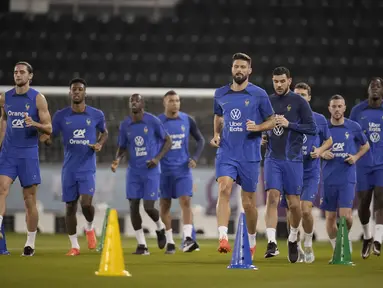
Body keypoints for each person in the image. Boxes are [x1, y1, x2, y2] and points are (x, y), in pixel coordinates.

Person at [210, 52, 275, 259]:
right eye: (236, 66)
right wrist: (216, 135)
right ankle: (223, 237)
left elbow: (272, 120)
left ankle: (252, 239)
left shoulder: (259, 94)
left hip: (250, 155)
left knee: (248, 202)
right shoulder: (220, 93)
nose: (239, 70)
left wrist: (258, 127)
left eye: (243, 67)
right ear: (232, 69)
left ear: (249, 70)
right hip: (227, 152)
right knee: (224, 188)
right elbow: (218, 116)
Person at [40, 78, 108, 256]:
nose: (77, 92)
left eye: (80, 89)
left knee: (86, 204)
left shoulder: (96, 114)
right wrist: (44, 139)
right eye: (74, 90)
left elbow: (104, 132)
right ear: (70, 93)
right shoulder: (61, 116)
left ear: (85, 93)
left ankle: (90, 227)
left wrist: (100, 143)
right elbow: (50, 137)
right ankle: (75, 246)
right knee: (70, 207)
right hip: (69, 168)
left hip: (87, 167)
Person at [263, 67, 317, 263]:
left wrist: (289, 124)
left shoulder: (299, 102)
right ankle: (272, 242)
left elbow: (312, 128)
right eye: (275, 81)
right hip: (272, 158)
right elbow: (262, 124)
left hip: (293, 160)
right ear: (272, 80)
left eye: (282, 81)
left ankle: (293, 237)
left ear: (289, 81)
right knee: (272, 196)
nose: (278, 85)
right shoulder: (267, 101)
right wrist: (261, 134)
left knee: (295, 205)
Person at [275, 83, 332, 263]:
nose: (300, 98)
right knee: (293, 209)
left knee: (306, 210)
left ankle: (307, 243)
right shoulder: (285, 119)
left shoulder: (319, 119)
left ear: (309, 98)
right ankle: (295, 242)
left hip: (310, 171)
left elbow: (329, 140)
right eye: (297, 94)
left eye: (303, 95)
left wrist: (321, 150)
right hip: (291, 169)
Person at [0, 61, 52, 256]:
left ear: (30, 76)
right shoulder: (5, 98)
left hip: (28, 154)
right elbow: (3, 120)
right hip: (8, 152)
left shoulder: (38, 99)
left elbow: (49, 128)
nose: (18, 75)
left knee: (29, 199)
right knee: (1, 188)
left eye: (22, 72)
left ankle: (30, 243)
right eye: (15, 72)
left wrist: (35, 124)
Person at [111, 93, 172, 255]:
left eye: (137, 100)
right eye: (131, 101)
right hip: (134, 172)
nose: (134, 103)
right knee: (133, 206)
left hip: (151, 171)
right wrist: (117, 159)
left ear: (143, 103)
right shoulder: (125, 125)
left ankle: (160, 227)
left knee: (149, 207)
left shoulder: (152, 121)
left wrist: (157, 159)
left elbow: (168, 140)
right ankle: (142, 245)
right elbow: (122, 146)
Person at [321, 94, 369, 255]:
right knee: (330, 218)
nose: (336, 109)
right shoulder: (324, 128)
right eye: (334, 106)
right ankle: (337, 249)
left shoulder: (353, 126)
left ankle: (343, 238)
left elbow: (366, 145)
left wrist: (355, 157)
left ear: (344, 108)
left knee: (346, 217)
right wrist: (322, 153)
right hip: (328, 178)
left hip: (347, 177)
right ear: (329, 108)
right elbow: (315, 149)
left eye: (339, 106)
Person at [158, 90, 205, 254]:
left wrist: (195, 158)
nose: (175, 103)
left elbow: (200, 140)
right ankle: (170, 240)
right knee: (164, 206)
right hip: (163, 171)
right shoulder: (158, 122)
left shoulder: (187, 119)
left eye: (177, 100)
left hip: (183, 170)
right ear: (165, 102)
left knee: (186, 201)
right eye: (171, 101)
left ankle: (187, 238)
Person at [350, 77, 383, 258]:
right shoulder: (358, 111)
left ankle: (378, 238)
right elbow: (349, 134)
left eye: (379, 86)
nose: (376, 89)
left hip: (381, 164)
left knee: (380, 198)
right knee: (363, 204)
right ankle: (368, 236)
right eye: (372, 86)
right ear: (368, 91)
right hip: (362, 164)